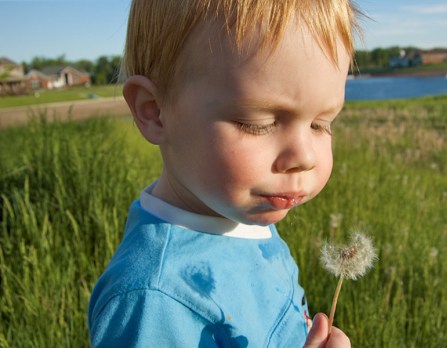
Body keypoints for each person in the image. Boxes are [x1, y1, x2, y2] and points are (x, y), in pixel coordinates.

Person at [88, 0, 362, 346]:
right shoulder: (154, 299)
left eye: (321, 124)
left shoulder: (235, 212)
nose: (305, 157)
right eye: (258, 124)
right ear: (155, 111)